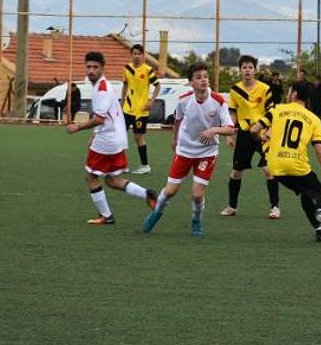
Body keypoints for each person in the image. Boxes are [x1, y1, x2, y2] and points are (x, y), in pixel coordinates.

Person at [143, 62, 235, 236]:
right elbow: (177, 119)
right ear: (191, 82)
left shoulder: (219, 101)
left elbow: (230, 129)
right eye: (199, 77)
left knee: (197, 195)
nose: (203, 80)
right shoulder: (184, 100)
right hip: (185, 150)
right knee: (170, 191)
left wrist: (213, 130)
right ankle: (156, 213)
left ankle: (196, 221)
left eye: (205, 76)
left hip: (207, 153)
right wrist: (175, 138)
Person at [66, 52, 157, 225]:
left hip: (107, 140)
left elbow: (99, 118)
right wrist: (94, 134)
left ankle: (107, 216)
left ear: (102, 68)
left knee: (91, 176)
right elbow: (105, 115)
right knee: (112, 180)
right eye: (88, 67)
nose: (91, 70)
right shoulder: (103, 85)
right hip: (116, 137)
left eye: (95, 67)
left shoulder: (101, 89)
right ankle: (147, 194)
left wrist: (77, 127)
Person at [251, 81, 321, 242]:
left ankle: (320, 232)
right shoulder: (314, 119)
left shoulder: (277, 109)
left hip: (275, 166)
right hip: (297, 166)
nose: (287, 93)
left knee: (305, 195)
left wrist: (261, 137)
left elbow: (253, 130)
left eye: (289, 91)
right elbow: (319, 150)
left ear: (294, 94)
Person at [220, 55, 280, 219]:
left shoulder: (265, 88)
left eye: (250, 67)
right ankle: (232, 206)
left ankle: (275, 207)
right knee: (236, 172)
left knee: (269, 170)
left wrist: (269, 130)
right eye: (244, 67)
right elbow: (232, 113)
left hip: (262, 134)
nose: (247, 70)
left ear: (255, 70)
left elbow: (272, 111)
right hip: (244, 135)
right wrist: (230, 134)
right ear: (240, 70)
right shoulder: (235, 90)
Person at [121, 44, 160, 175]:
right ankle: (123, 165)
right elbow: (125, 85)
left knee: (138, 137)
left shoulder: (148, 70)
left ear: (143, 55)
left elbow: (158, 86)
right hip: (127, 109)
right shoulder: (126, 68)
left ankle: (145, 166)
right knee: (120, 136)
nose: (137, 56)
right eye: (134, 53)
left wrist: (151, 101)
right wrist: (121, 103)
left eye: (139, 54)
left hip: (141, 110)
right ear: (131, 55)